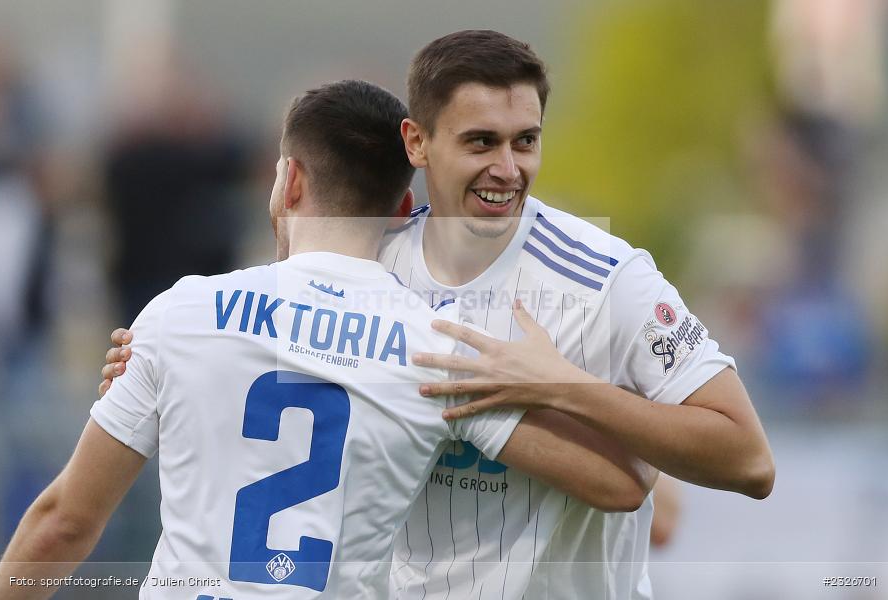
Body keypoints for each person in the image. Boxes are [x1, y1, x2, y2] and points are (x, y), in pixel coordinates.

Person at [99, 30, 774, 599]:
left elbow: (748, 463)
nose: (508, 168)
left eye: (526, 141)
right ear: (416, 144)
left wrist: (564, 386)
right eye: (481, 143)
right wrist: (155, 357)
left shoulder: (608, 278)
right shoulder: (372, 265)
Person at [0, 80, 649, 600]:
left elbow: (64, 523)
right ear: (400, 212)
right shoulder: (439, 350)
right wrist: (548, 381)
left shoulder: (181, 312)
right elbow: (620, 486)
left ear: (290, 182)